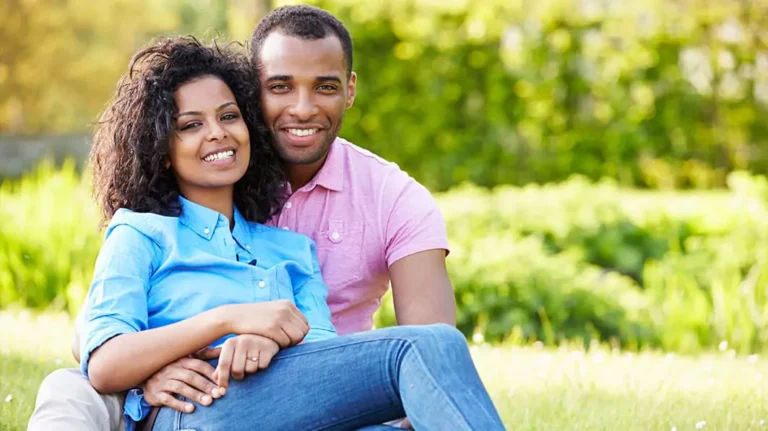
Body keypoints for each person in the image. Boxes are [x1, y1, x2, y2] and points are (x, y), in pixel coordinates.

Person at [28, 5, 460, 430]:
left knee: (434, 346)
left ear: (349, 89)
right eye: (190, 125)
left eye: (227, 117)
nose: (303, 108)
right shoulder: (144, 231)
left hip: (317, 403)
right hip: (198, 406)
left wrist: (270, 342)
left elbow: (328, 358)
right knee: (69, 387)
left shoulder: (299, 244)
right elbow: (99, 347)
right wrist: (162, 364)